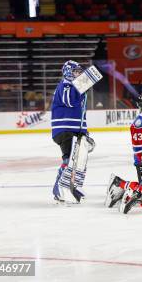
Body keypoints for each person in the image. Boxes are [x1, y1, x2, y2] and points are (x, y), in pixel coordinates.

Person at [51, 60, 87, 202]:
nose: (78, 74)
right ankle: (58, 188)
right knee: (69, 159)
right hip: (65, 128)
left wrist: (83, 129)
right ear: (67, 72)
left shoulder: (74, 85)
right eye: (75, 71)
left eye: (79, 72)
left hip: (75, 128)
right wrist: (82, 87)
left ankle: (72, 186)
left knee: (78, 161)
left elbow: (81, 109)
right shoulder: (66, 84)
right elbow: (70, 101)